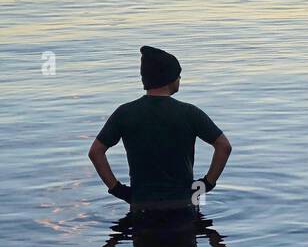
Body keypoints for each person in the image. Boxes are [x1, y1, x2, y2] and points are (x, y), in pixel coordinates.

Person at [88, 46, 231, 226]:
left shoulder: (124, 113)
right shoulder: (189, 112)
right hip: (183, 207)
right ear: (169, 78)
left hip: (141, 207)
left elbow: (95, 152)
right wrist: (205, 185)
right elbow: (224, 147)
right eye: (178, 74)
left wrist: (119, 190)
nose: (180, 79)